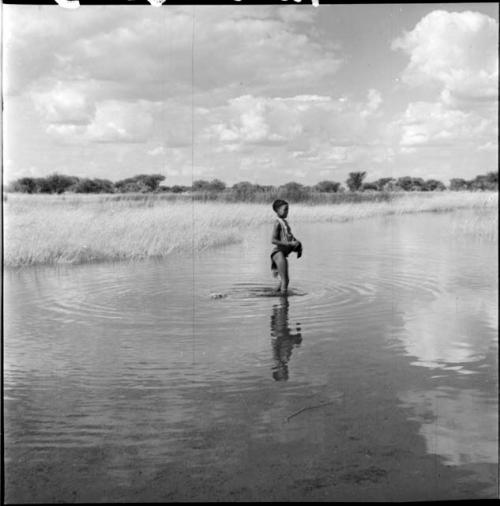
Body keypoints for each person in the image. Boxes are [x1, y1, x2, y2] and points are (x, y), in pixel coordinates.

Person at [270, 199, 302, 294]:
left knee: (282, 281)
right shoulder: (277, 223)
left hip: (281, 254)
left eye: (288, 209)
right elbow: (273, 240)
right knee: (285, 281)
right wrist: (289, 244)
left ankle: (273, 294)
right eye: (285, 209)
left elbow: (290, 237)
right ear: (277, 210)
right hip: (278, 253)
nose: (287, 211)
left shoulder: (284, 222)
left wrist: (298, 245)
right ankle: (284, 303)